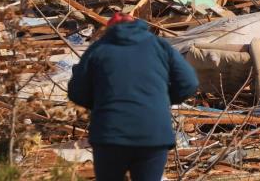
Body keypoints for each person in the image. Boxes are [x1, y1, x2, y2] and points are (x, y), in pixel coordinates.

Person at [68, 13, 198, 181]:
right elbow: (189, 83)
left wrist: (100, 104)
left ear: (109, 28)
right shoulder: (159, 46)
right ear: (138, 26)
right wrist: (161, 101)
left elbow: (76, 91)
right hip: (153, 134)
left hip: (110, 134)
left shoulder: (98, 49)